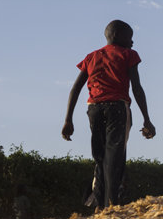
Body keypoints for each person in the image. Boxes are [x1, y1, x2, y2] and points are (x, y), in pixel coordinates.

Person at [62, 20, 155, 209]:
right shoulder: (128, 54)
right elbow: (136, 87)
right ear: (117, 36)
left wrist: (68, 119)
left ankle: (99, 204)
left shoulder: (91, 57)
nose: (132, 42)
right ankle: (111, 205)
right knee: (114, 157)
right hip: (117, 108)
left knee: (100, 157)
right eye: (130, 38)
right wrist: (147, 119)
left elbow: (75, 89)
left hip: (94, 109)